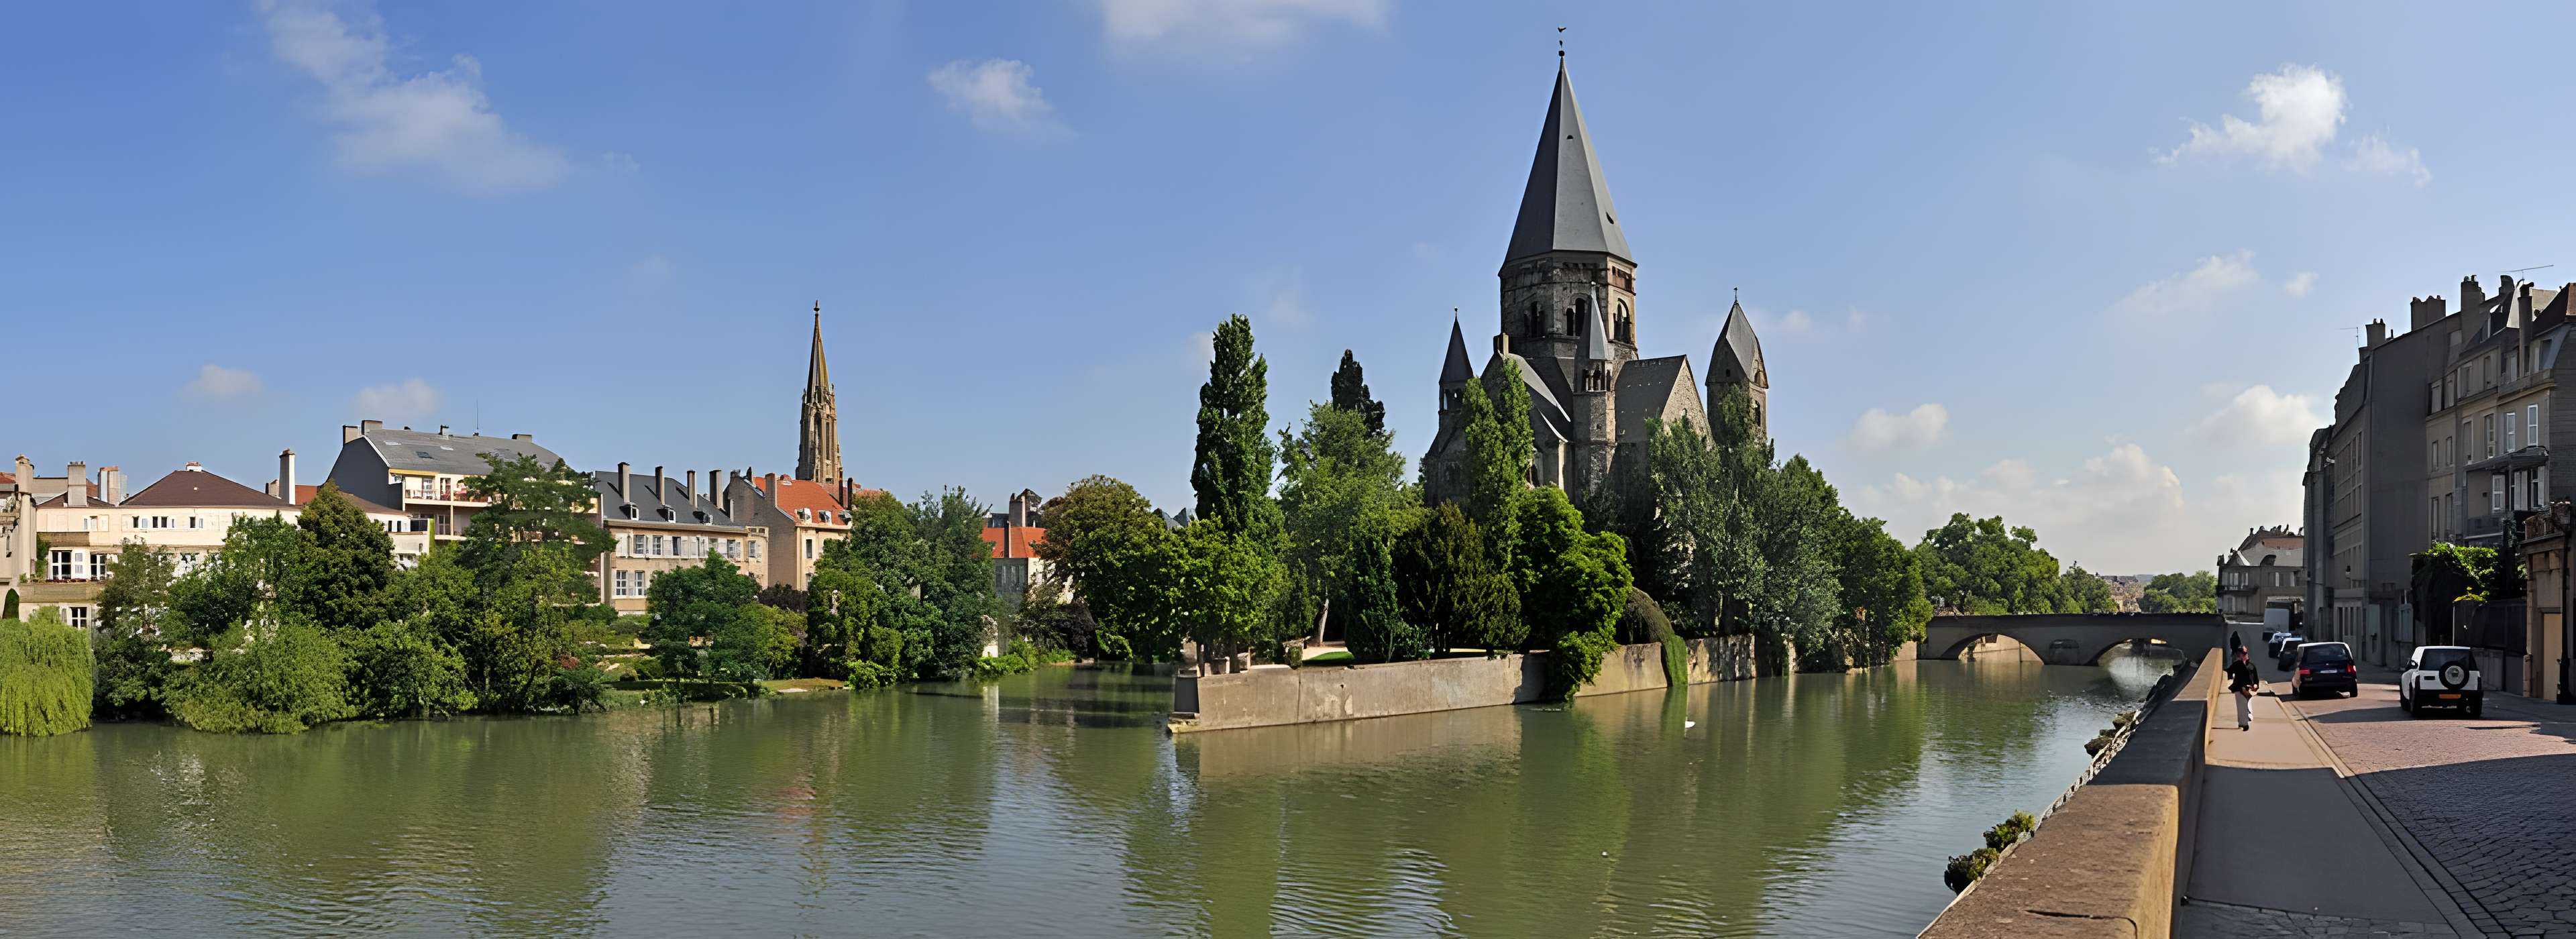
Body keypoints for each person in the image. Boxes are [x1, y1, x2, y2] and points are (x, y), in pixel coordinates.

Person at [2226, 647, 2261, 731]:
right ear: (2239, 655)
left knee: (2247, 703)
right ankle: (2244, 723)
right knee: (2241, 705)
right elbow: (2228, 672)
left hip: (2249, 689)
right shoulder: (2237, 665)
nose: (2246, 655)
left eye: (2246, 653)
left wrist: (2256, 685)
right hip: (2239, 688)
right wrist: (2231, 678)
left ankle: (2247, 717)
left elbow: (2256, 678)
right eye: (2243, 654)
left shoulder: (2251, 666)